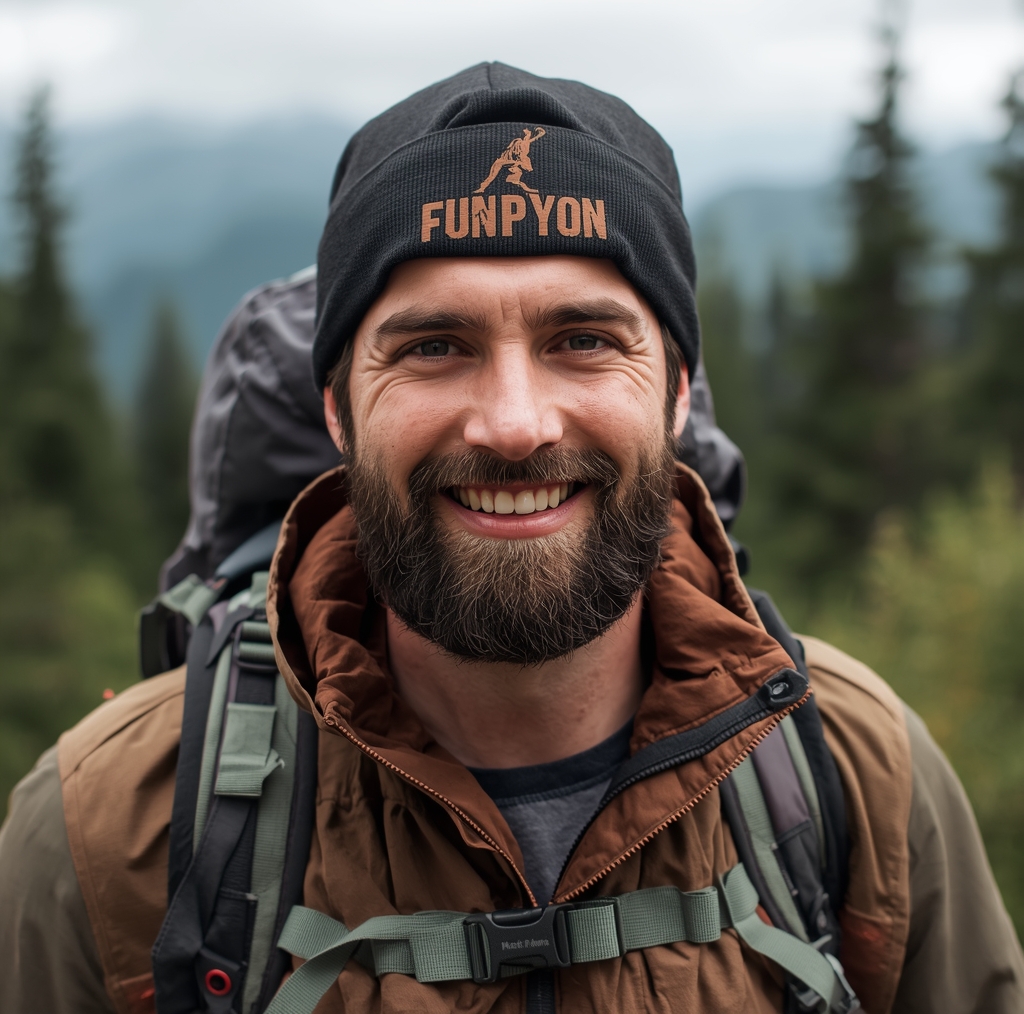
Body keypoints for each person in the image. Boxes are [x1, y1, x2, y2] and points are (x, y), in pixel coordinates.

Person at [1, 62, 1022, 1014]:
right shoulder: (107, 831)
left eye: (582, 340)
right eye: (434, 346)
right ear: (337, 412)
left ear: (673, 394)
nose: (514, 421)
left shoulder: (858, 775)